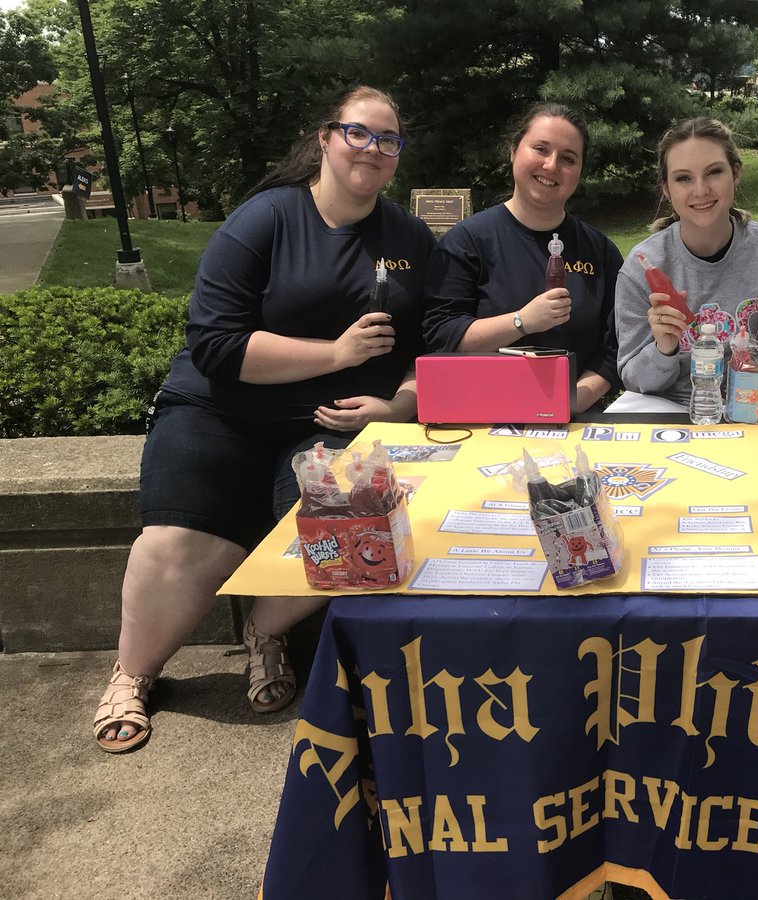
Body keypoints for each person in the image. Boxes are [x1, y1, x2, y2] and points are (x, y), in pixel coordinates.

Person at [92, 86, 436, 753]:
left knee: (345, 541)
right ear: (326, 137)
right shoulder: (265, 219)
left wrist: (400, 402)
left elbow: (432, 342)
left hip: (324, 423)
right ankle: (132, 673)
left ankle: (265, 631)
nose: (373, 149)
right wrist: (335, 353)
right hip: (218, 408)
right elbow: (215, 345)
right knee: (179, 543)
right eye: (359, 133)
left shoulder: (408, 238)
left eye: (388, 140)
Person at [422, 103, 620, 413]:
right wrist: (521, 321)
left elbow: (613, 348)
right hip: (481, 416)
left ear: (579, 172)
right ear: (513, 151)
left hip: (573, 417)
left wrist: (570, 402)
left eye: (568, 158)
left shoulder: (600, 251)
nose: (551, 165)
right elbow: (441, 335)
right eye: (540, 149)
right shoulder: (468, 241)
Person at [609, 116, 758, 414]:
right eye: (683, 178)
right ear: (666, 188)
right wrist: (664, 347)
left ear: (735, 174)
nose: (700, 190)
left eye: (713, 172)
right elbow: (634, 379)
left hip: (753, 407)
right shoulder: (640, 269)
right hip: (667, 407)